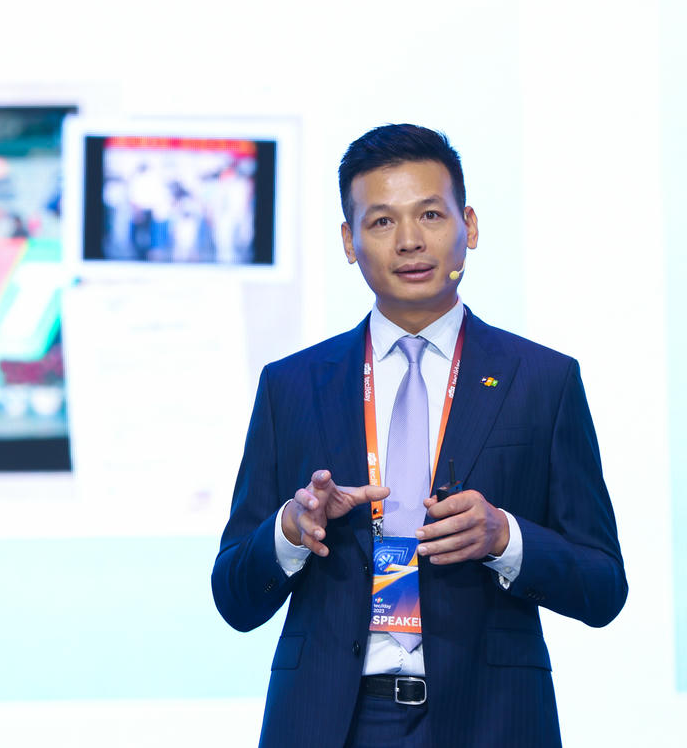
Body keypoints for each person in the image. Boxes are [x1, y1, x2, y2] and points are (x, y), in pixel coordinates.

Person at [211, 124, 626, 748]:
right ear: (349, 242)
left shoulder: (543, 381)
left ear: (470, 226)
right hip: (331, 723)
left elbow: (603, 588)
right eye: (381, 222)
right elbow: (234, 598)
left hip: (492, 723)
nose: (409, 240)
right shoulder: (291, 386)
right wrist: (290, 533)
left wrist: (505, 538)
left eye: (430, 214)